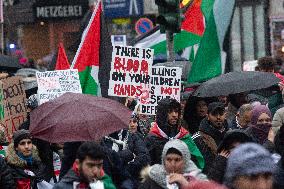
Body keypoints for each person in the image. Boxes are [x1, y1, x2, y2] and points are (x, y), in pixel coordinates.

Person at [145, 98, 204, 169]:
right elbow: (147, 167)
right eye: (170, 112)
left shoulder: (184, 136)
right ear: (162, 114)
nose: (174, 115)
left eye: (176, 111)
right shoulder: (152, 138)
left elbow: (195, 162)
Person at [139, 139, 207, 189]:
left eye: (177, 160)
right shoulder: (154, 177)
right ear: (163, 160)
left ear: (185, 160)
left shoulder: (198, 179)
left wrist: (186, 185)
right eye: (168, 159)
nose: (173, 164)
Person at [103, 114, 150, 184]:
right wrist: (126, 155)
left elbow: (144, 157)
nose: (132, 125)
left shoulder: (132, 136)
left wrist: (127, 168)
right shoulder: (103, 138)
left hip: (129, 180)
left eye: (134, 122)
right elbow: (105, 158)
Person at [192, 102, 229, 173]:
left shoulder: (231, 135)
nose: (218, 117)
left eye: (221, 114)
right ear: (208, 116)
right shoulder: (198, 138)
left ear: (225, 115)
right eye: (214, 114)